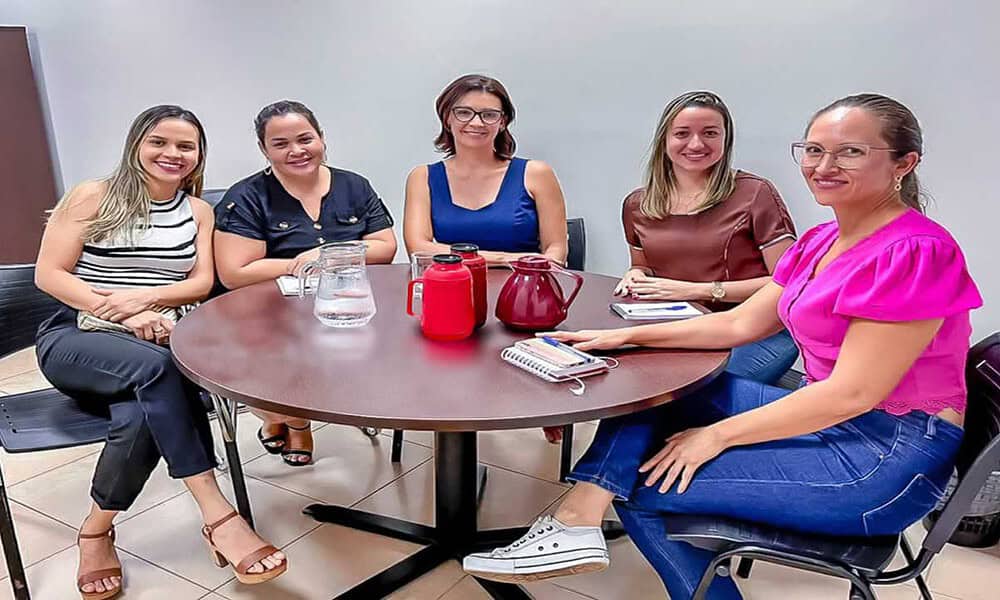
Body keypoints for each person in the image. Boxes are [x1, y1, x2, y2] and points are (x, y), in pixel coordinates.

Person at [463, 94, 982, 600]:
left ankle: (583, 521)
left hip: (884, 454)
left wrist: (713, 438)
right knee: (657, 387)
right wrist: (624, 336)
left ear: (904, 163)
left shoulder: (915, 252)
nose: (825, 165)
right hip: (836, 423)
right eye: (814, 150)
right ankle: (576, 520)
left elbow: (851, 394)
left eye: (851, 151)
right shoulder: (822, 240)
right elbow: (736, 327)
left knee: (647, 490)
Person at [34, 105, 286, 600]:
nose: (172, 154)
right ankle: (219, 515)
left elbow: (201, 281)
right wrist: (122, 313)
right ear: (136, 145)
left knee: (139, 412)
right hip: (78, 336)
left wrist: (148, 301)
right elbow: (50, 275)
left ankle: (95, 531)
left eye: (185, 146)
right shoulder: (93, 196)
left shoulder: (198, 212)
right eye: (159, 143)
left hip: (158, 337)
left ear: (198, 156)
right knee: (162, 369)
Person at [214, 100, 397, 466]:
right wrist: (299, 265)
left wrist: (327, 254)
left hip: (346, 303)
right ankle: (296, 421)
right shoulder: (247, 196)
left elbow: (386, 247)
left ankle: (284, 413)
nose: (296, 151)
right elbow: (235, 273)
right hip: (268, 310)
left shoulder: (353, 185)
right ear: (264, 150)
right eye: (280, 144)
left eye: (305, 139)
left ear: (321, 138)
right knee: (274, 355)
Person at [403, 74, 569, 442]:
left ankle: (537, 404)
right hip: (450, 292)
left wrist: (533, 268)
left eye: (488, 115)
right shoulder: (423, 177)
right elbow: (418, 246)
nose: (476, 123)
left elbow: (556, 249)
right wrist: (504, 257)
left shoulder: (535, 173)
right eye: (464, 112)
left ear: (504, 121)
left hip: (520, 294)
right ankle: (454, 417)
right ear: (447, 117)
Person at [615, 91, 798, 384]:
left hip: (758, 329)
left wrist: (697, 290)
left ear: (726, 140)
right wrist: (634, 274)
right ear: (664, 140)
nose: (696, 144)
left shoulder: (754, 193)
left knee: (686, 394)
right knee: (635, 392)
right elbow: (643, 267)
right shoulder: (638, 204)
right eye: (682, 133)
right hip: (679, 326)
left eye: (710, 133)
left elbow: (790, 282)